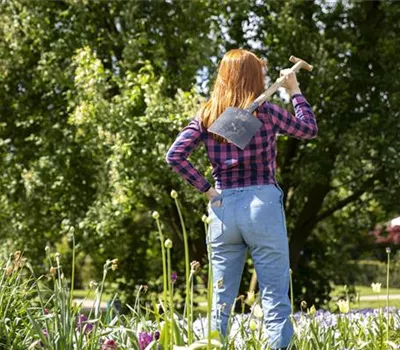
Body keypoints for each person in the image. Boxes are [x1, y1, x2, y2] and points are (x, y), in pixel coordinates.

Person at [165, 49, 317, 349]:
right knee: (274, 297)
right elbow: (309, 129)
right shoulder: (268, 112)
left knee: (220, 302)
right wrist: (295, 89)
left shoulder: (207, 114)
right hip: (262, 205)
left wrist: (208, 190)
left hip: (223, 209)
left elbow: (175, 155)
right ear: (253, 77)